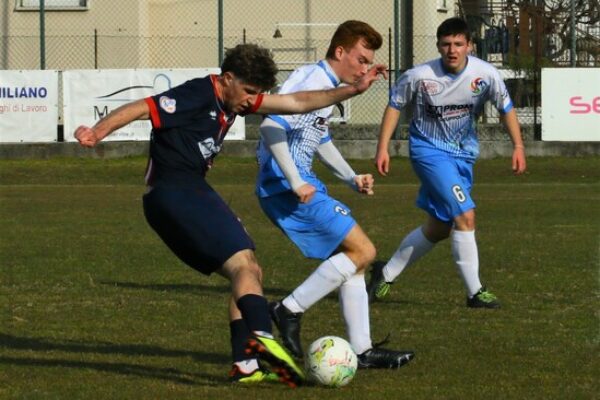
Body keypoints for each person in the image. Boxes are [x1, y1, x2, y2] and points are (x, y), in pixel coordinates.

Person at [74, 43, 387, 387]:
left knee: (247, 270)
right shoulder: (198, 92)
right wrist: (98, 132)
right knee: (244, 266)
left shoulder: (235, 97)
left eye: (258, 93)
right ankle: (264, 338)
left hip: (179, 196)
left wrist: (353, 90)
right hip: (176, 192)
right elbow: (142, 107)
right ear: (227, 79)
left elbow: (297, 102)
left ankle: (245, 365)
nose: (252, 100)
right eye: (249, 91)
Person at [256, 21, 415, 369]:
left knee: (353, 260)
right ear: (340, 52)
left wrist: (350, 177)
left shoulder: (328, 88)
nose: (363, 68)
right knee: (365, 251)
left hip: (298, 184)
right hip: (283, 186)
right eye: (360, 59)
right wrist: (296, 181)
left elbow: (319, 139)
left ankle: (362, 350)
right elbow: (270, 125)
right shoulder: (312, 79)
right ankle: (288, 309)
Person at [368, 17, 527, 308]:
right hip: (428, 152)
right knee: (465, 215)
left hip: (463, 154)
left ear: (469, 46)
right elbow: (395, 107)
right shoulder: (419, 76)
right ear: (439, 46)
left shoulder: (486, 74)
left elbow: (506, 108)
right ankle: (475, 292)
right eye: (445, 44)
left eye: (458, 44)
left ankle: (385, 273)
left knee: (439, 227)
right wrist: (383, 148)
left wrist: (518, 145)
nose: (452, 50)